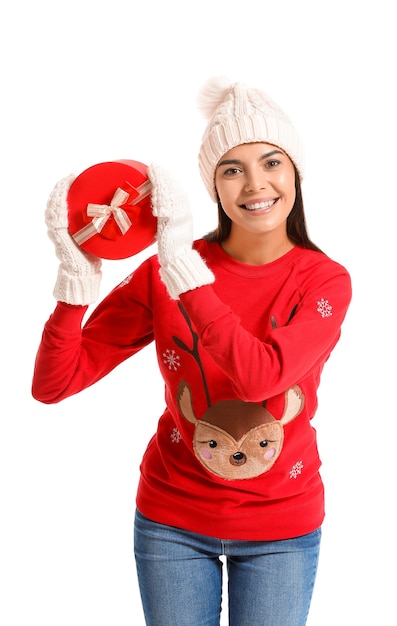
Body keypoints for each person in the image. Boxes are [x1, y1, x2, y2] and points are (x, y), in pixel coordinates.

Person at [32, 76, 352, 626]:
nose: (256, 183)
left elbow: (260, 380)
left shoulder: (324, 281)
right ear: (215, 187)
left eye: (272, 162)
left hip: (282, 526)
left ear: (295, 171)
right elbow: (54, 384)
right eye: (233, 168)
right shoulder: (164, 272)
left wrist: (183, 271)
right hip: (172, 522)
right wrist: (75, 285)